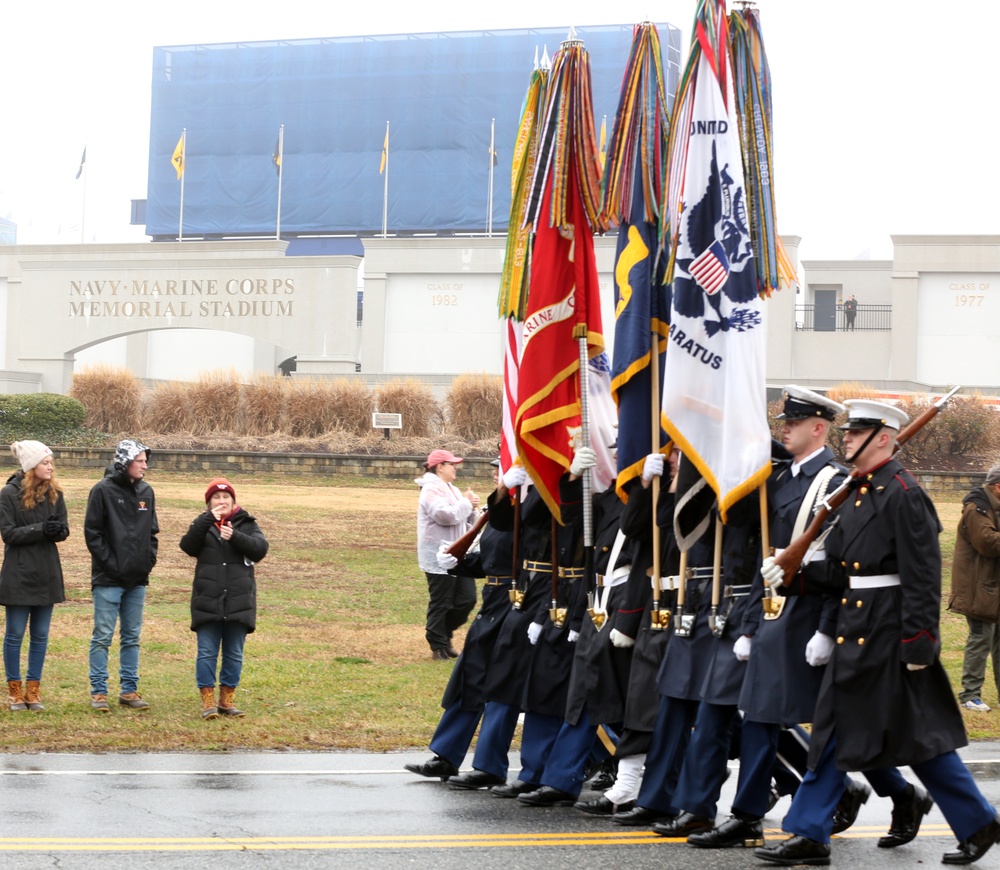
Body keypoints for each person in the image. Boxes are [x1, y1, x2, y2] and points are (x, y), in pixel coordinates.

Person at [756, 399, 1000, 867]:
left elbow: (924, 574)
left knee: (919, 741)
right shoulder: (860, 490)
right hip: (856, 628)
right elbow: (846, 569)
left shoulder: (904, 493)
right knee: (837, 733)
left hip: (889, 634)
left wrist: (919, 642)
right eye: (846, 431)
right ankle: (811, 833)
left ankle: (977, 822)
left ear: (883, 438)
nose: (845, 438)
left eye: (856, 432)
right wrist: (793, 576)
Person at [405, 459, 519, 784]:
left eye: (504, 469)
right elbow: (490, 560)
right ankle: (446, 755)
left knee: (503, 688)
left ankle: (490, 766)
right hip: (494, 604)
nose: (497, 474)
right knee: (469, 678)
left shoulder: (533, 510)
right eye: (498, 469)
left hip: (521, 605)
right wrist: (457, 563)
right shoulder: (500, 507)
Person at [180, 478, 268, 719]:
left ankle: (227, 700)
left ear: (233, 500)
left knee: (233, 653)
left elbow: (260, 549)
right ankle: (207, 702)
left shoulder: (247, 524)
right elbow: (187, 546)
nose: (222, 501)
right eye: (216, 498)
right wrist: (206, 520)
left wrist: (236, 536)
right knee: (207, 652)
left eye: (226, 497)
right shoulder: (203, 524)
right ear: (209, 503)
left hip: (239, 601)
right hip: (208, 600)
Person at [84, 439, 158, 712]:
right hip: (108, 579)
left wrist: (147, 562)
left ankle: (129, 690)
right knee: (103, 636)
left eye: (145, 461)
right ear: (126, 461)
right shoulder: (101, 491)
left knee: (131, 637)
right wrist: (111, 565)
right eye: (140, 461)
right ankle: (99, 692)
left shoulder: (146, 492)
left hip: (137, 579)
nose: (145, 466)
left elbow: (152, 531)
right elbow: (93, 534)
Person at [0, 441, 68, 712]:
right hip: (18, 572)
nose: (50, 466)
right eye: (45, 462)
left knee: (40, 635)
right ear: (31, 467)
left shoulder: (55, 493)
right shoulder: (8, 494)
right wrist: (42, 528)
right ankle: (14, 691)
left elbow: (63, 530)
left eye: (51, 462)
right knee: (15, 634)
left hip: (46, 571)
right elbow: (9, 534)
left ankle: (33, 691)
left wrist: (56, 530)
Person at [416, 449, 479, 660]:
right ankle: (437, 646)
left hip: (457, 554)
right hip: (437, 555)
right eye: (452, 464)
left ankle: (444, 635)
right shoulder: (430, 490)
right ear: (439, 467)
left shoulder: (451, 488)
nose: (456, 467)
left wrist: (472, 508)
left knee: (466, 599)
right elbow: (445, 515)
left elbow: (463, 519)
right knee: (441, 601)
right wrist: (466, 503)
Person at [949, 464, 1000, 713]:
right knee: (980, 639)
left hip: (992, 586)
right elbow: (988, 543)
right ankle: (970, 694)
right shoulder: (977, 508)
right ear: (998, 486)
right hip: (977, 588)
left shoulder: (994, 506)